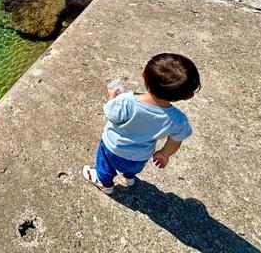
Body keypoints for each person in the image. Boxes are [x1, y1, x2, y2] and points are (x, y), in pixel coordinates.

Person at [83, 53, 201, 194]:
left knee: (105, 166)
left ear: (143, 74)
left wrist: (112, 99)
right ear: (187, 96)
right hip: (140, 156)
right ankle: (129, 176)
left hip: (112, 148)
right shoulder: (178, 119)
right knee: (131, 167)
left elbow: (112, 115)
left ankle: (105, 183)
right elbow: (176, 141)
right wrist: (164, 153)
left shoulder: (126, 100)